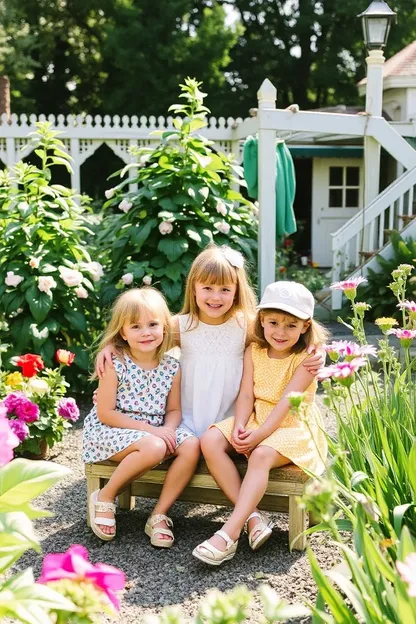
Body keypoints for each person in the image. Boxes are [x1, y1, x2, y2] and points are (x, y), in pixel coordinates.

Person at [96, 245, 324, 545]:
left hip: (232, 420)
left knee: (214, 444)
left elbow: (283, 336)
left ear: (237, 290)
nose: (215, 297)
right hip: (189, 419)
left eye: (225, 289)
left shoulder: (246, 326)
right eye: (207, 288)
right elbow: (140, 333)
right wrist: (112, 345)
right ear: (194, 287)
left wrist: (315, 348)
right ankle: (232, 514)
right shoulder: (180, 326)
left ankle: (245, 517)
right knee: (193, 445)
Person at [193, 281, 329, 565]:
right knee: (211, 440)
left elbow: (287, 403)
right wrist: (242, 425)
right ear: (262, 320)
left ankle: (229, 533)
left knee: (261, 454)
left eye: (291, 325)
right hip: (257, 418)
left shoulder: (307, 358)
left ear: (305, 327)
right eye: (274, 322)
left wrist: (258, 437)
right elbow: (245, 393)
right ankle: (253, 516)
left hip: (292, 425)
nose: (280, 332)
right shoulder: (254, 351)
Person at [83, 287, 200, 544]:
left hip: (154, 431)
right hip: (112, 430)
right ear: (122, 332)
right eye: (135, 327)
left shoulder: (171, 366)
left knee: (191, 445)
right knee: (156, 447)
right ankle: (105, 496)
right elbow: (105, 413)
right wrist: (155, 432)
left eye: (152, 324)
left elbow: (173, 410)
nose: (146, 332)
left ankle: (158, 514)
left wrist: (168, 428)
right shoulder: (115, 363)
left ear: (164, 328)